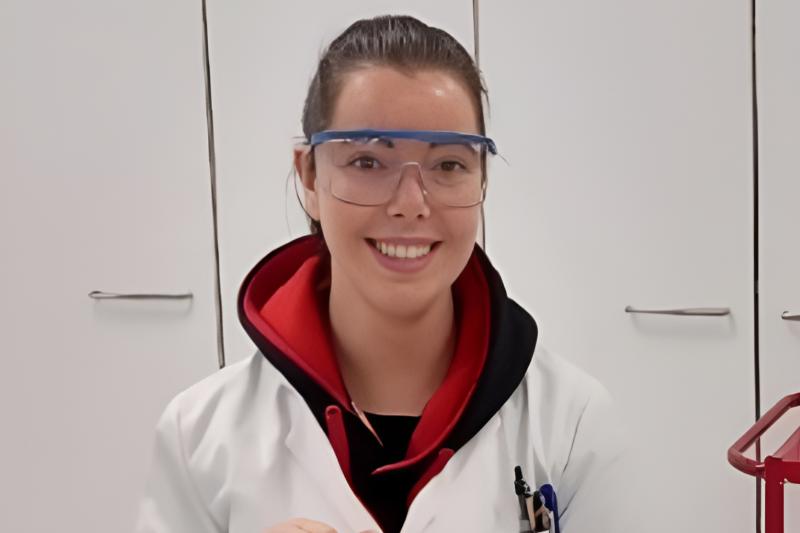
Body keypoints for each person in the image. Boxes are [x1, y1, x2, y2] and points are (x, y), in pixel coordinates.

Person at [136, 14, 636, 533]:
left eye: (448, 165)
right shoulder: (199, 436)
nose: (411, 204)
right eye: (368, 162)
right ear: (309, 174)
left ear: (481, 178)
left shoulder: (572, 423)